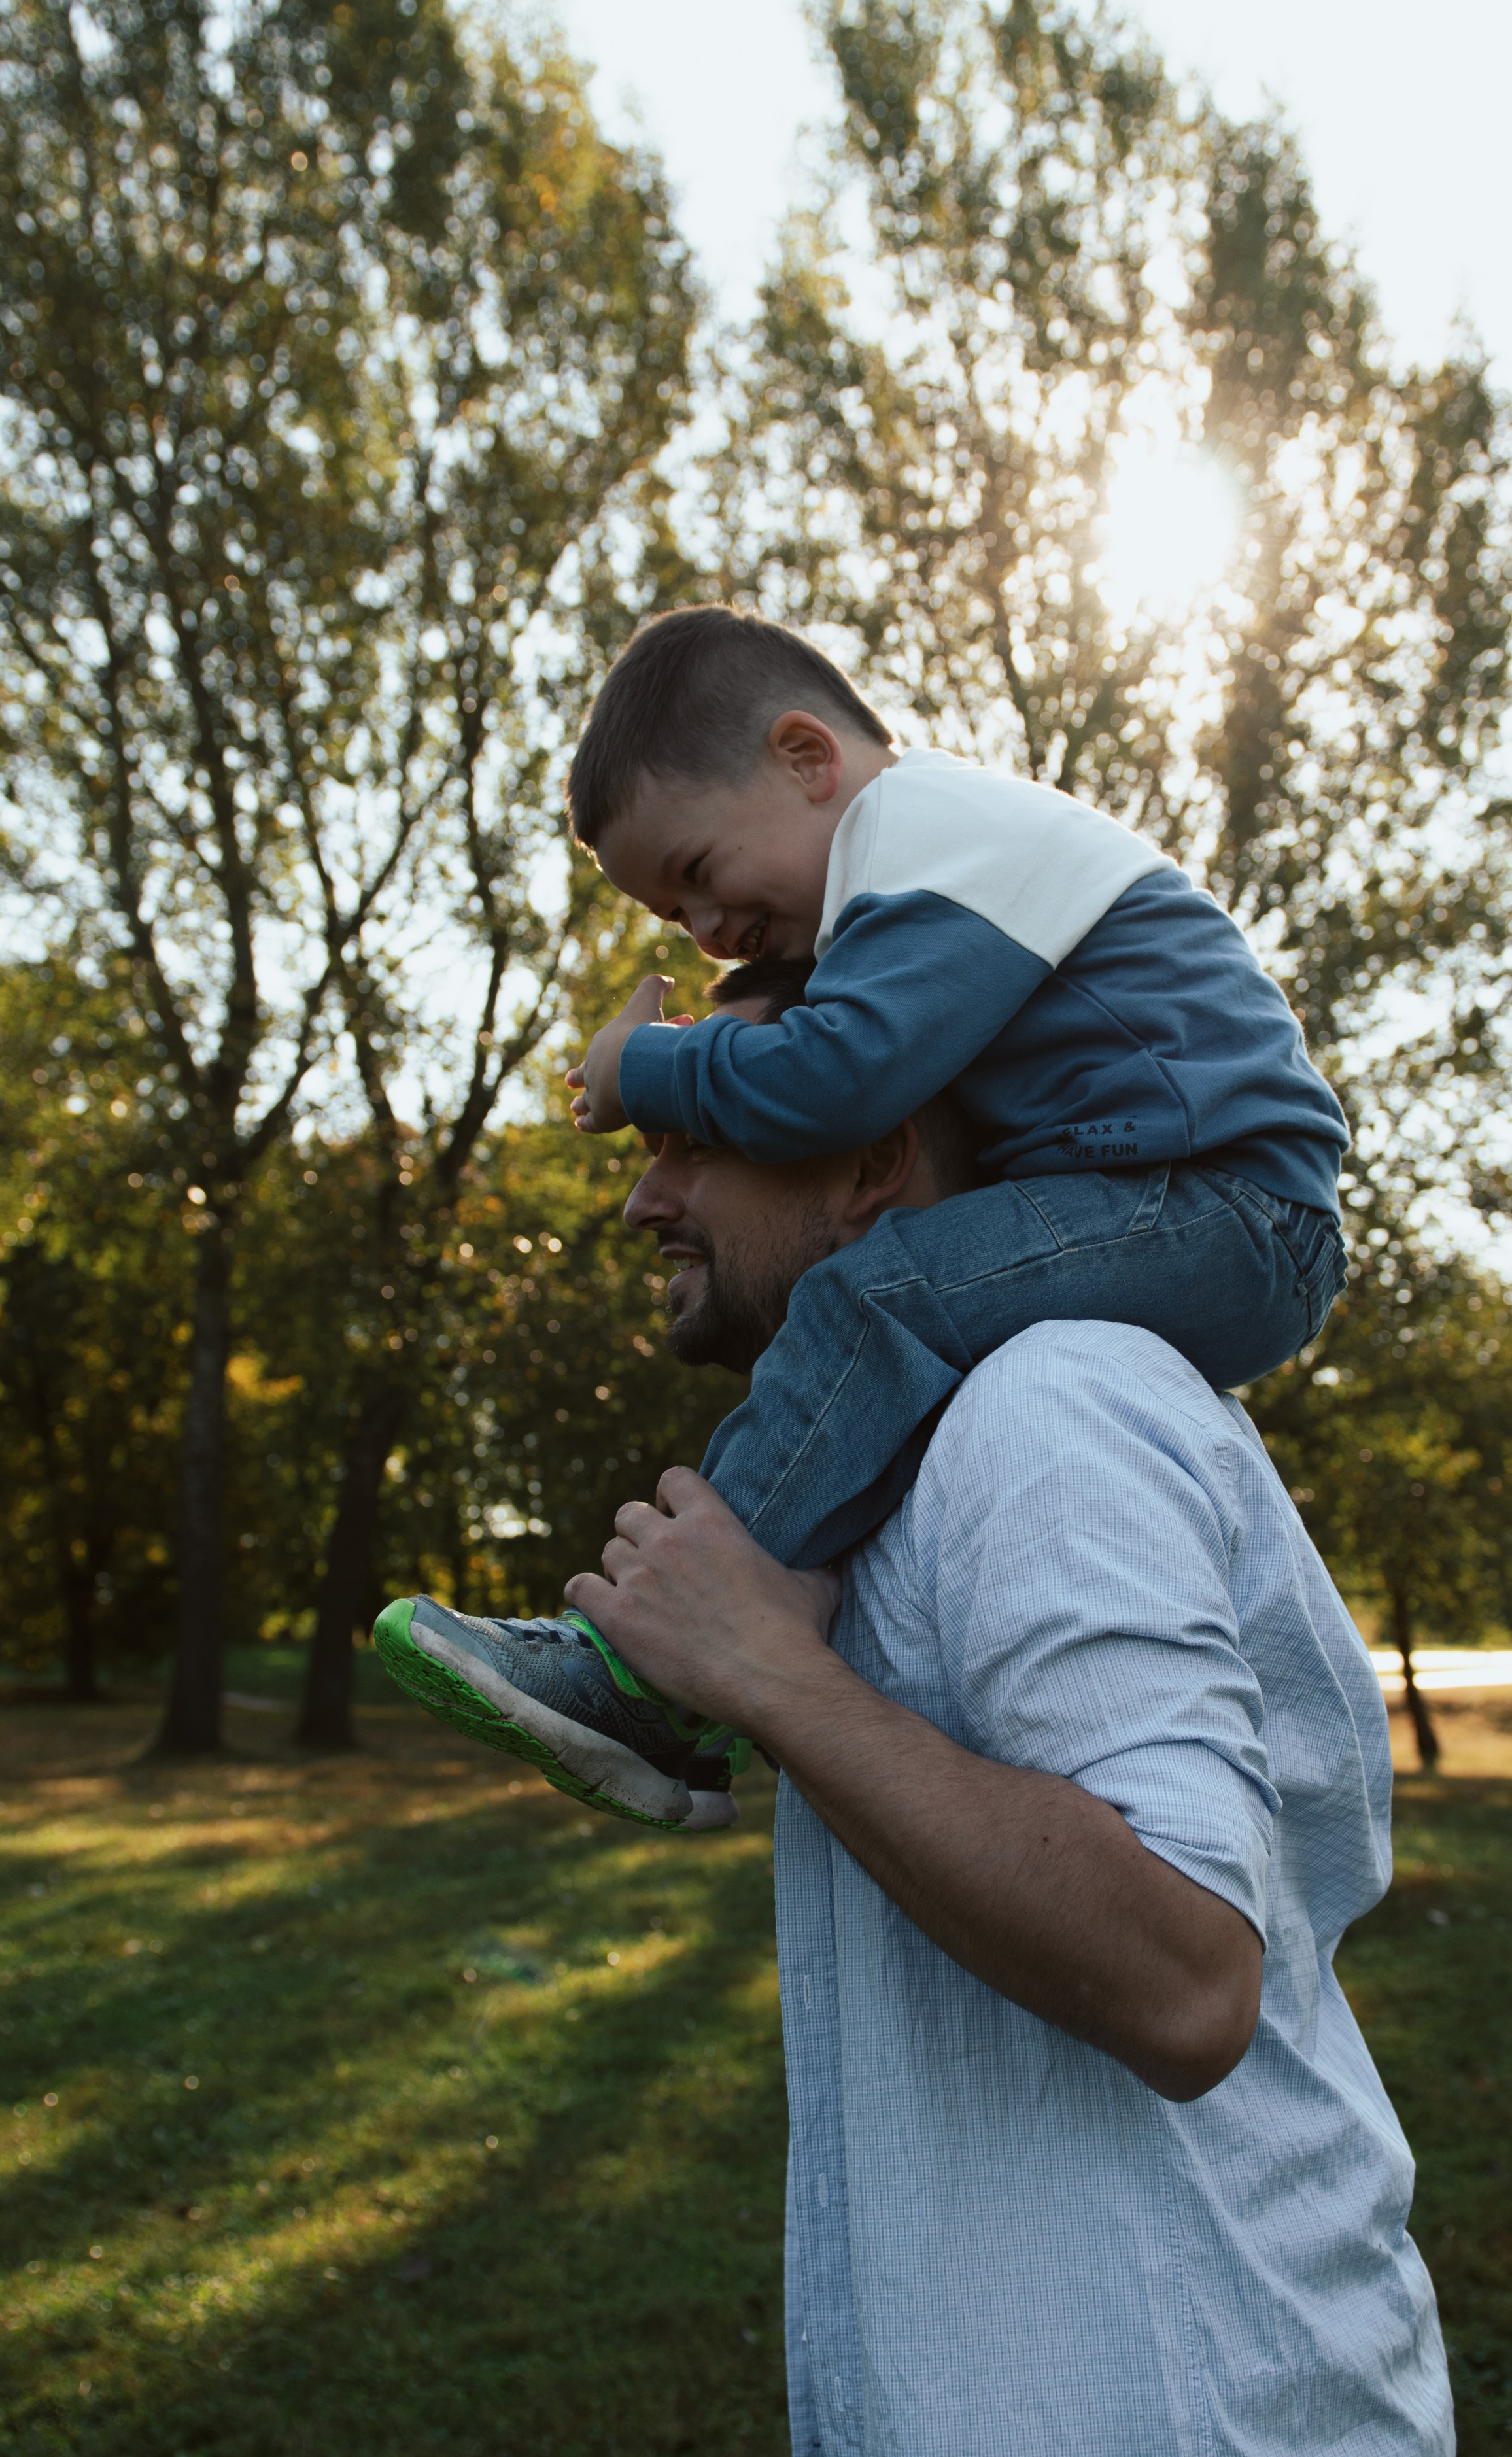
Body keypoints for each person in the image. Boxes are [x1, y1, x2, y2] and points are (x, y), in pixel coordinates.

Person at [585, 964, 1457, 2457]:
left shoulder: (1046, 1405)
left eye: (692, 1139)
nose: (647, 1199)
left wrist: (771, 1680)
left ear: (871, 1160)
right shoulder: (905, 1468)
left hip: (1192, 2450)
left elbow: (1187, 1977)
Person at [377, 608, 1351, 1825]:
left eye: (695, 873)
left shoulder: (926, 827)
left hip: (1229, 1204)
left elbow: (842, 1076)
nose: (705, 930)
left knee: (874, 1291)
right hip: (1173, 1198)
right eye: (673, 920)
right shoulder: (908, 869)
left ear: (806, 758)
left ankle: (644, 1666)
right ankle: (738, 1658)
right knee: (899, 1344)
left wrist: (648, 1069)